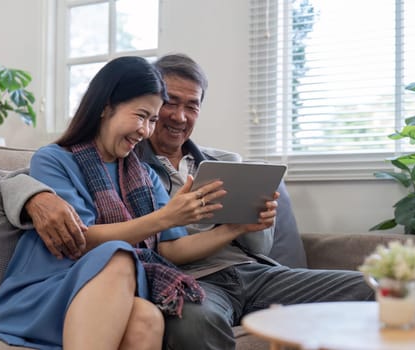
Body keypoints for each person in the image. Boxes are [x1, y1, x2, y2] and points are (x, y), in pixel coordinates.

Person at [0, 56, 278, 350]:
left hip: (118, 289)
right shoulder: (54, 159)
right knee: (118, 256)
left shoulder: (145, 175)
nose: (146, 131)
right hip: (50, 288)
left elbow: (169, 249)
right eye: (141, 116)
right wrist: (165, 217)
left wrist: (234, 229)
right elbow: (81, 240)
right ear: (105, 107)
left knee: (148, 317)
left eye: (152, 120)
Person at [133, 53, 374, 350]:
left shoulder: (226, 162)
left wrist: (257, 222)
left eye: (192, 105)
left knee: (372, 289)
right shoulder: (131, 170)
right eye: (171, 102)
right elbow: (155, 248)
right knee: (194, 322)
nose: (180, 116)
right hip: (192, 282)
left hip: (255, 273)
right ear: (153, 104)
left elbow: (260, 248)